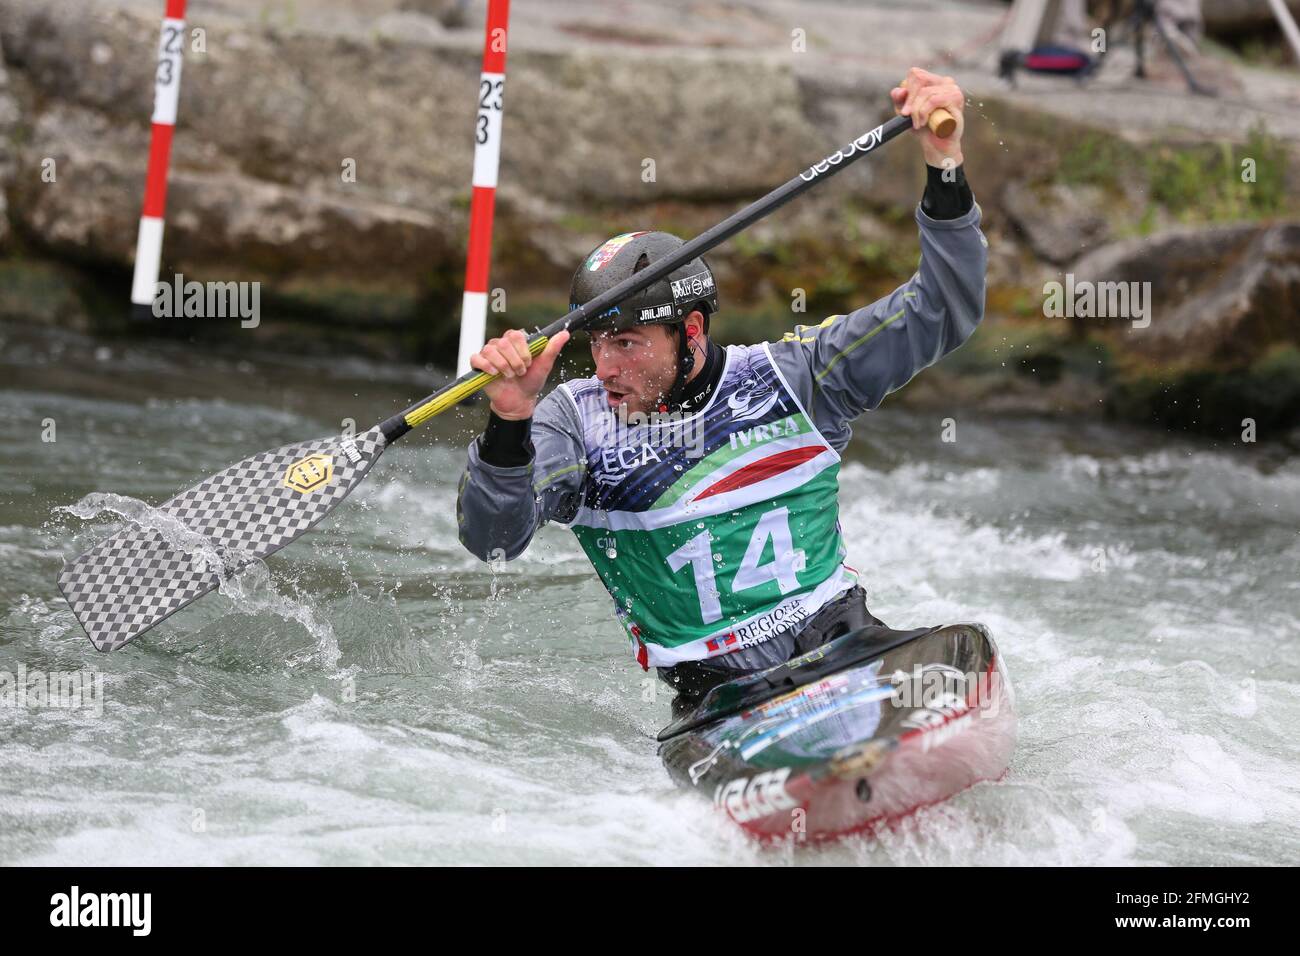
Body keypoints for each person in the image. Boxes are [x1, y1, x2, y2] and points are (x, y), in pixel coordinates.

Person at [456, 68, 988, 716]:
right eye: (595, 343)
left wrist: (944, 163)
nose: (604, 367)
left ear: (693, 331)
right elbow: (492, 540)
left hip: (847, 652)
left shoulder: (799, 379)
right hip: (718, 708)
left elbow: (944, 311)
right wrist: (508, 419)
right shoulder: (574, 425)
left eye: (626, 342)